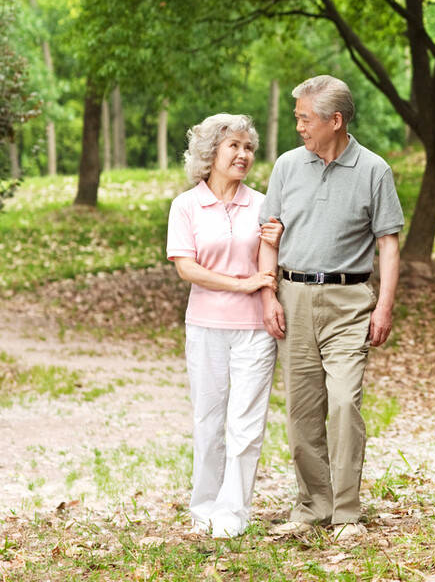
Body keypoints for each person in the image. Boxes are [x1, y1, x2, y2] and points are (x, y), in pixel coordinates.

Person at [257, 75, 403, 540]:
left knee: (343, 403)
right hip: (293, 297)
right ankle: (311, 506)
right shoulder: (286, 166)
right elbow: (269, 234)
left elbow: (389, 244)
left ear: (334, 120)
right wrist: (267, 293)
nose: (298, 126)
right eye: (298, 116)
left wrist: (384, 306)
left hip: (349, 301)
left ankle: (346, 512)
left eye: (305, 118)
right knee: (302, 409)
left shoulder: (374, 170)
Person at [166, 114, 284, 538]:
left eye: (248, 147)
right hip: (205, 327)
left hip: (255, 330)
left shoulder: (263, 203)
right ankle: (204, 509)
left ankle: (233, 514)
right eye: (234, 146)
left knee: (246, 425)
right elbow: (187, 268)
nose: (243, 155)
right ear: (210, 152)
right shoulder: (186, 206)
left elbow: (269, 257)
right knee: (208, 421)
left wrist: (264, 289)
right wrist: (244, 282)